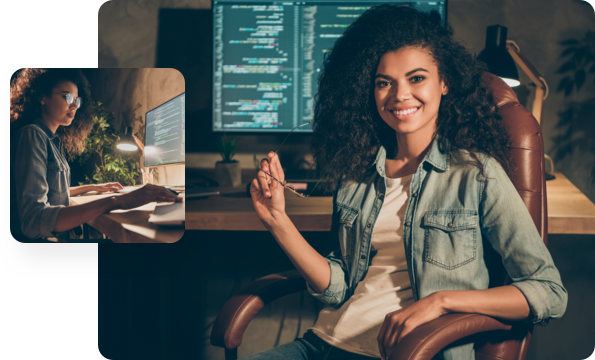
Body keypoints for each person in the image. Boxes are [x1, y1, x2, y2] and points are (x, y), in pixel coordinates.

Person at [248, 5, 566, 360]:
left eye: (416, 78)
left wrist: (441, 302)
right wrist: (276, 219)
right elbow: (337, 288)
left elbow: (548, 291)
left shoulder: (477, 175)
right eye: (384, 83)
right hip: (321, 344)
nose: (399, 94)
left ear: (444, 82)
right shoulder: (358, 177)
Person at [10, 68, 182, 243]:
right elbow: (33, 220)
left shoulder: (52, 140)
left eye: (77, 100)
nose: (75, 105)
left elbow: (51, 193)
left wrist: (92, 187)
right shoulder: (32, 135)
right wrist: (117, 201)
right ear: (42, 97)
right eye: (66, 96)